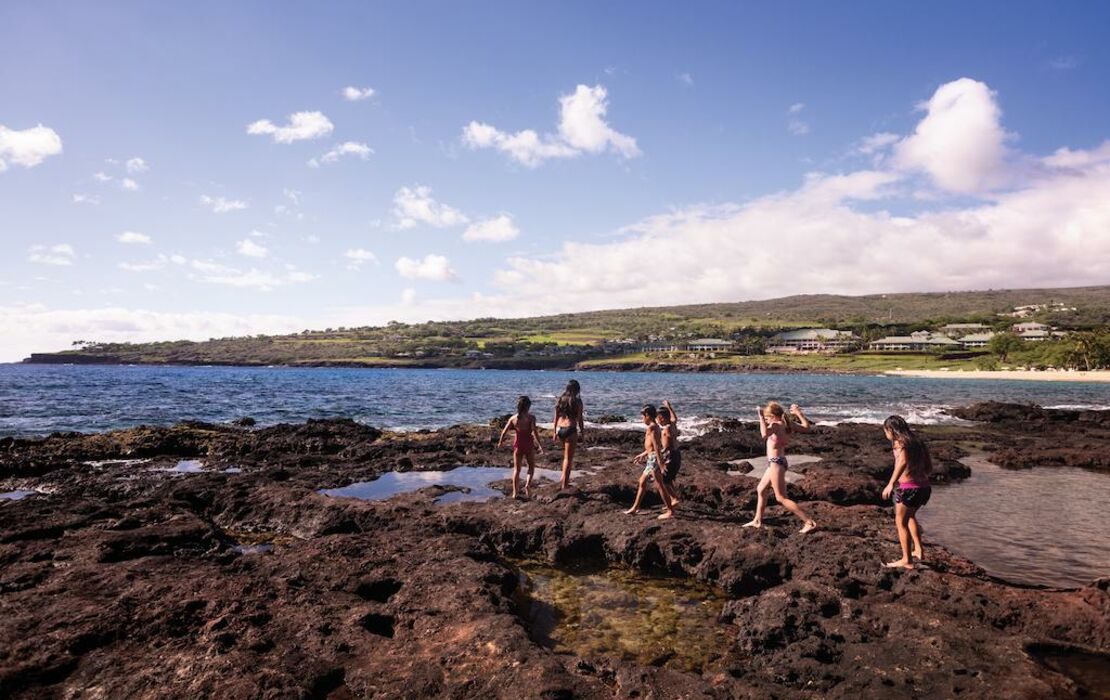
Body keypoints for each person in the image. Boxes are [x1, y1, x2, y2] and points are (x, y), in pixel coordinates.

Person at [743, 402, 818, 534]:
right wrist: (798, 413)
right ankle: (757, 520)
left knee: (781, 498)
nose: (766, 420)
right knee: (761, 489)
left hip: (775, 463)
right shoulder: (788, 424)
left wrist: (760, 417)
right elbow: (807, 428)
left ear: (773, 416)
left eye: (767, 417)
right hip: (779, 462)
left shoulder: (776, 425)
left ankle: (809, 522)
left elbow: (764, 434)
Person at [880, 415, 933, 569]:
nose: (886, 435)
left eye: (886, 431)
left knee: (900, 522)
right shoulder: (917, 442)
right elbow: (928, 465)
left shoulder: (899, 442)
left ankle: (907, 560)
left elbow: (902, 462)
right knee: (910, 517)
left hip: (909, 488)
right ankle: (919, 550)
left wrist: (891, 484)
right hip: (924, 487)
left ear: (891, 429)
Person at [624, 405, 676, 519]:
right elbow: (651, 446)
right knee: (642, 481)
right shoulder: (654, 426)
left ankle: (670, 510)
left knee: (660, 485)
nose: (643, 419)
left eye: (643, 417)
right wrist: (643, 454)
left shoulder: (652, 427)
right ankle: (635, 507)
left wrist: (660, 463)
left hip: (654, 459)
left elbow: (657, 446)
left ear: (647, 416)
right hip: (651, 457)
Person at [497, 395, 543, 499]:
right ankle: (527, 484)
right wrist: (540, 445)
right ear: (528, 406)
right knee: (531, 467)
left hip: (518, 445)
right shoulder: (531, 418)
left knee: (516, 470)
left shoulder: (513, 418)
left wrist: (500, 442)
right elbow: (535, 432)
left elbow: (504, 431)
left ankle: (515, 492)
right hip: (528, 444)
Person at [552, 379, 585, 490]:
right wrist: (582, 432)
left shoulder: (560, 399)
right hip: (571, 429)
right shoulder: (578, 401)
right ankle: (565, 484)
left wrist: (554, 432)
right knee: (568, 459)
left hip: (560, 429)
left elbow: (556, 417)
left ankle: (563, 479)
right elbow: (580, 419)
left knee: (565, 457)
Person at [656, 399, 681, 510]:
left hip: (670, 456)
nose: (657, 420)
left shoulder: (666, 430)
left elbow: (666, 447)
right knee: (669, 479)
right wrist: (669, 406)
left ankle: (675, 498)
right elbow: (674, 418)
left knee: (663, 480)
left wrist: (656, 454)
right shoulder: (672, 424)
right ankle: (672, 500)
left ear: (661, 418)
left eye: (657, 418)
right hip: (677, 455)